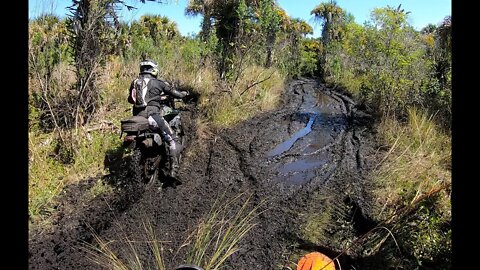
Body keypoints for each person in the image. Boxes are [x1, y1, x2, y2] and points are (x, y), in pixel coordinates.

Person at [128, 58, 189, 179]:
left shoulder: (134, 82)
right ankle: (173, 173)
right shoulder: (159, 83)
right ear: (153, 70)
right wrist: (184, 94)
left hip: (137, 119)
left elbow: (130, 99)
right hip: (152, 117)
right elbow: (175, 93)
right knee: (173, 140)